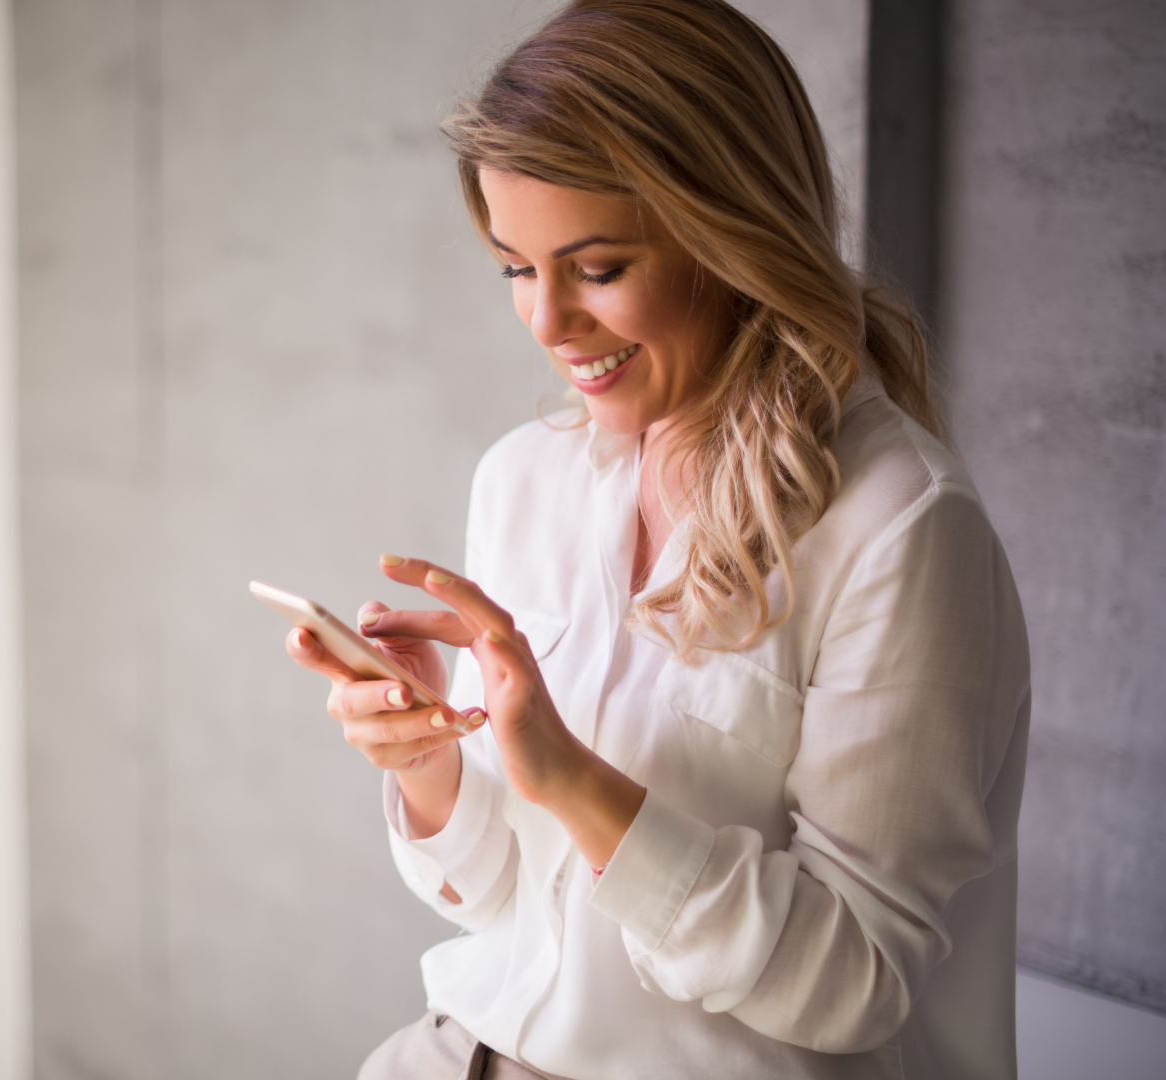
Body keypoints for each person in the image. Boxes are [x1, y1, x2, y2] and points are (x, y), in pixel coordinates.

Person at [282, 1, 1032, 1077]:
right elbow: (500, 894)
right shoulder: (524, 480)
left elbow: (855, 974)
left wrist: (578, 782)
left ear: (732, 232)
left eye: (596, 269)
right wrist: (435, 761)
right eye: (513, 268)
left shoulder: (899, 528)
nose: (546, 322)